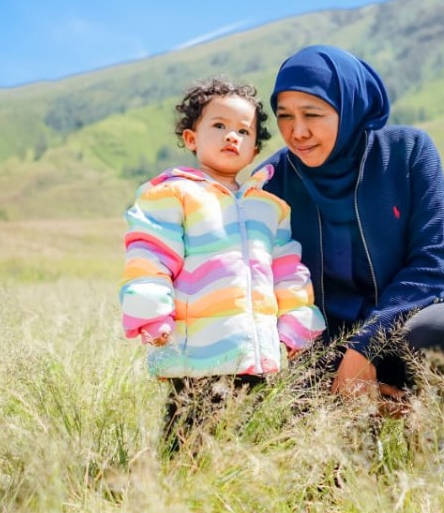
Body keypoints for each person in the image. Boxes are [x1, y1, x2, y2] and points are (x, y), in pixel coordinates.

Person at [258, 45, 444, 419]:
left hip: (406, 322)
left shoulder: (408, 153)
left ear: (348, 108)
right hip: (318, 346)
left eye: (312, 114)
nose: (297, 132)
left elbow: (431, 265)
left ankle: (424, 439)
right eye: (284, 116)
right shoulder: (272, 183)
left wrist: (363, 348)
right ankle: (352, 437)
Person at [120, 78, 326, 455]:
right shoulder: (172, 194)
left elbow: (288, 271)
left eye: (243, 131)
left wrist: (298, 325)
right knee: (188, 448)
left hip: (256, 357)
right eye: (219, 126)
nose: (232, 136)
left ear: (255, 149)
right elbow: (150, 257)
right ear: (191, 138)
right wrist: (151, 313)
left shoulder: (270, 207)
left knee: (248, 449)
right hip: (194, 356)